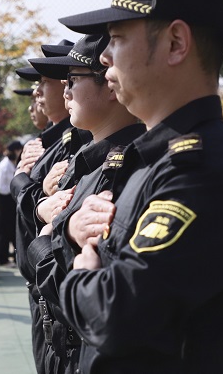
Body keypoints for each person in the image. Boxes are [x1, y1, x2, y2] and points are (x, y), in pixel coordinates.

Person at [56, 0, 223, 373]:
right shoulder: (158, 158)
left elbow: (118, 313)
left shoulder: (202, 168)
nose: (104, 56)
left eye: (118, 38)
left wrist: (80, 274)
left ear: (175, 43)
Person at [26, 33, 145, 374]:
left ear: (109, 87)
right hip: (62, 341)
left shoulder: (120, 169)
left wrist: (45, 240)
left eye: (73, 80)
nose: (65, 92)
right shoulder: (87, 161)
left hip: (80, 346)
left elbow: (80, 286)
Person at [10, 40, 91, 374]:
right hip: (46, 286)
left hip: (62, 300)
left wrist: (22, 184)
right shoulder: (57, 142)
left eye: (45, 82)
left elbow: (55, 209)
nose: (37, 93)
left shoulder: (77, 143)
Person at [0, 140, 23, 266]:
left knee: (11, 229)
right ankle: (2, 259)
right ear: (16, 151)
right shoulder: (6, 166)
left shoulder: (9, 164)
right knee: (4, 230)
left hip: (8, 199)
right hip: (4, 200)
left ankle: (15, 258)